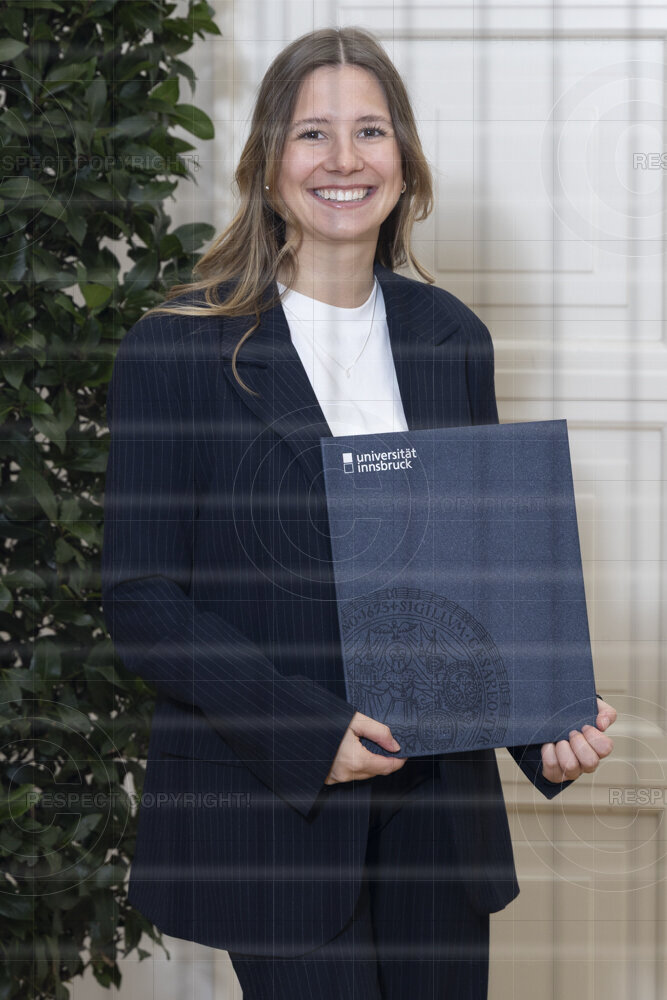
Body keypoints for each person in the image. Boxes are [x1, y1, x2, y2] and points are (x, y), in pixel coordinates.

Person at [101, 26, 617, 999]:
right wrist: (308, 733)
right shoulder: (175, 349)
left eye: (370, 132)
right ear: (265, 166)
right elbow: (143, 599)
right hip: (278, 817)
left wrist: (546, 727)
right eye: (313, 134)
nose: (344, 159)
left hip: (439, 824)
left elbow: (474, 577)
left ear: (404, 163)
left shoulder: (451, 339)